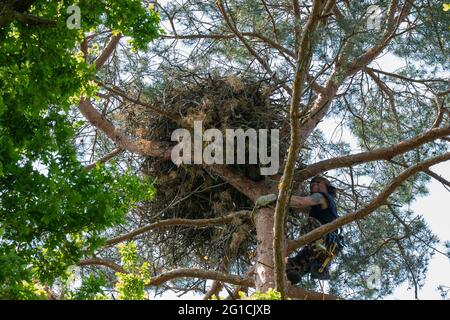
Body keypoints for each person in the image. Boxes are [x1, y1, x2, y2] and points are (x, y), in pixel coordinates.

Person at [286, 176, 343, 283]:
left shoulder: (322, 197)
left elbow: (300, 202)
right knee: (290, 266)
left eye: (318, 182)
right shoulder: (319, 205)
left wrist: (277, 198)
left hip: (325, 240)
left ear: (327, 187)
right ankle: (292, 275)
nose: (313, 184)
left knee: (309, 221)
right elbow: (299, 205)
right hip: (323, 248)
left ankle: (318, 246)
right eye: (311, 183)